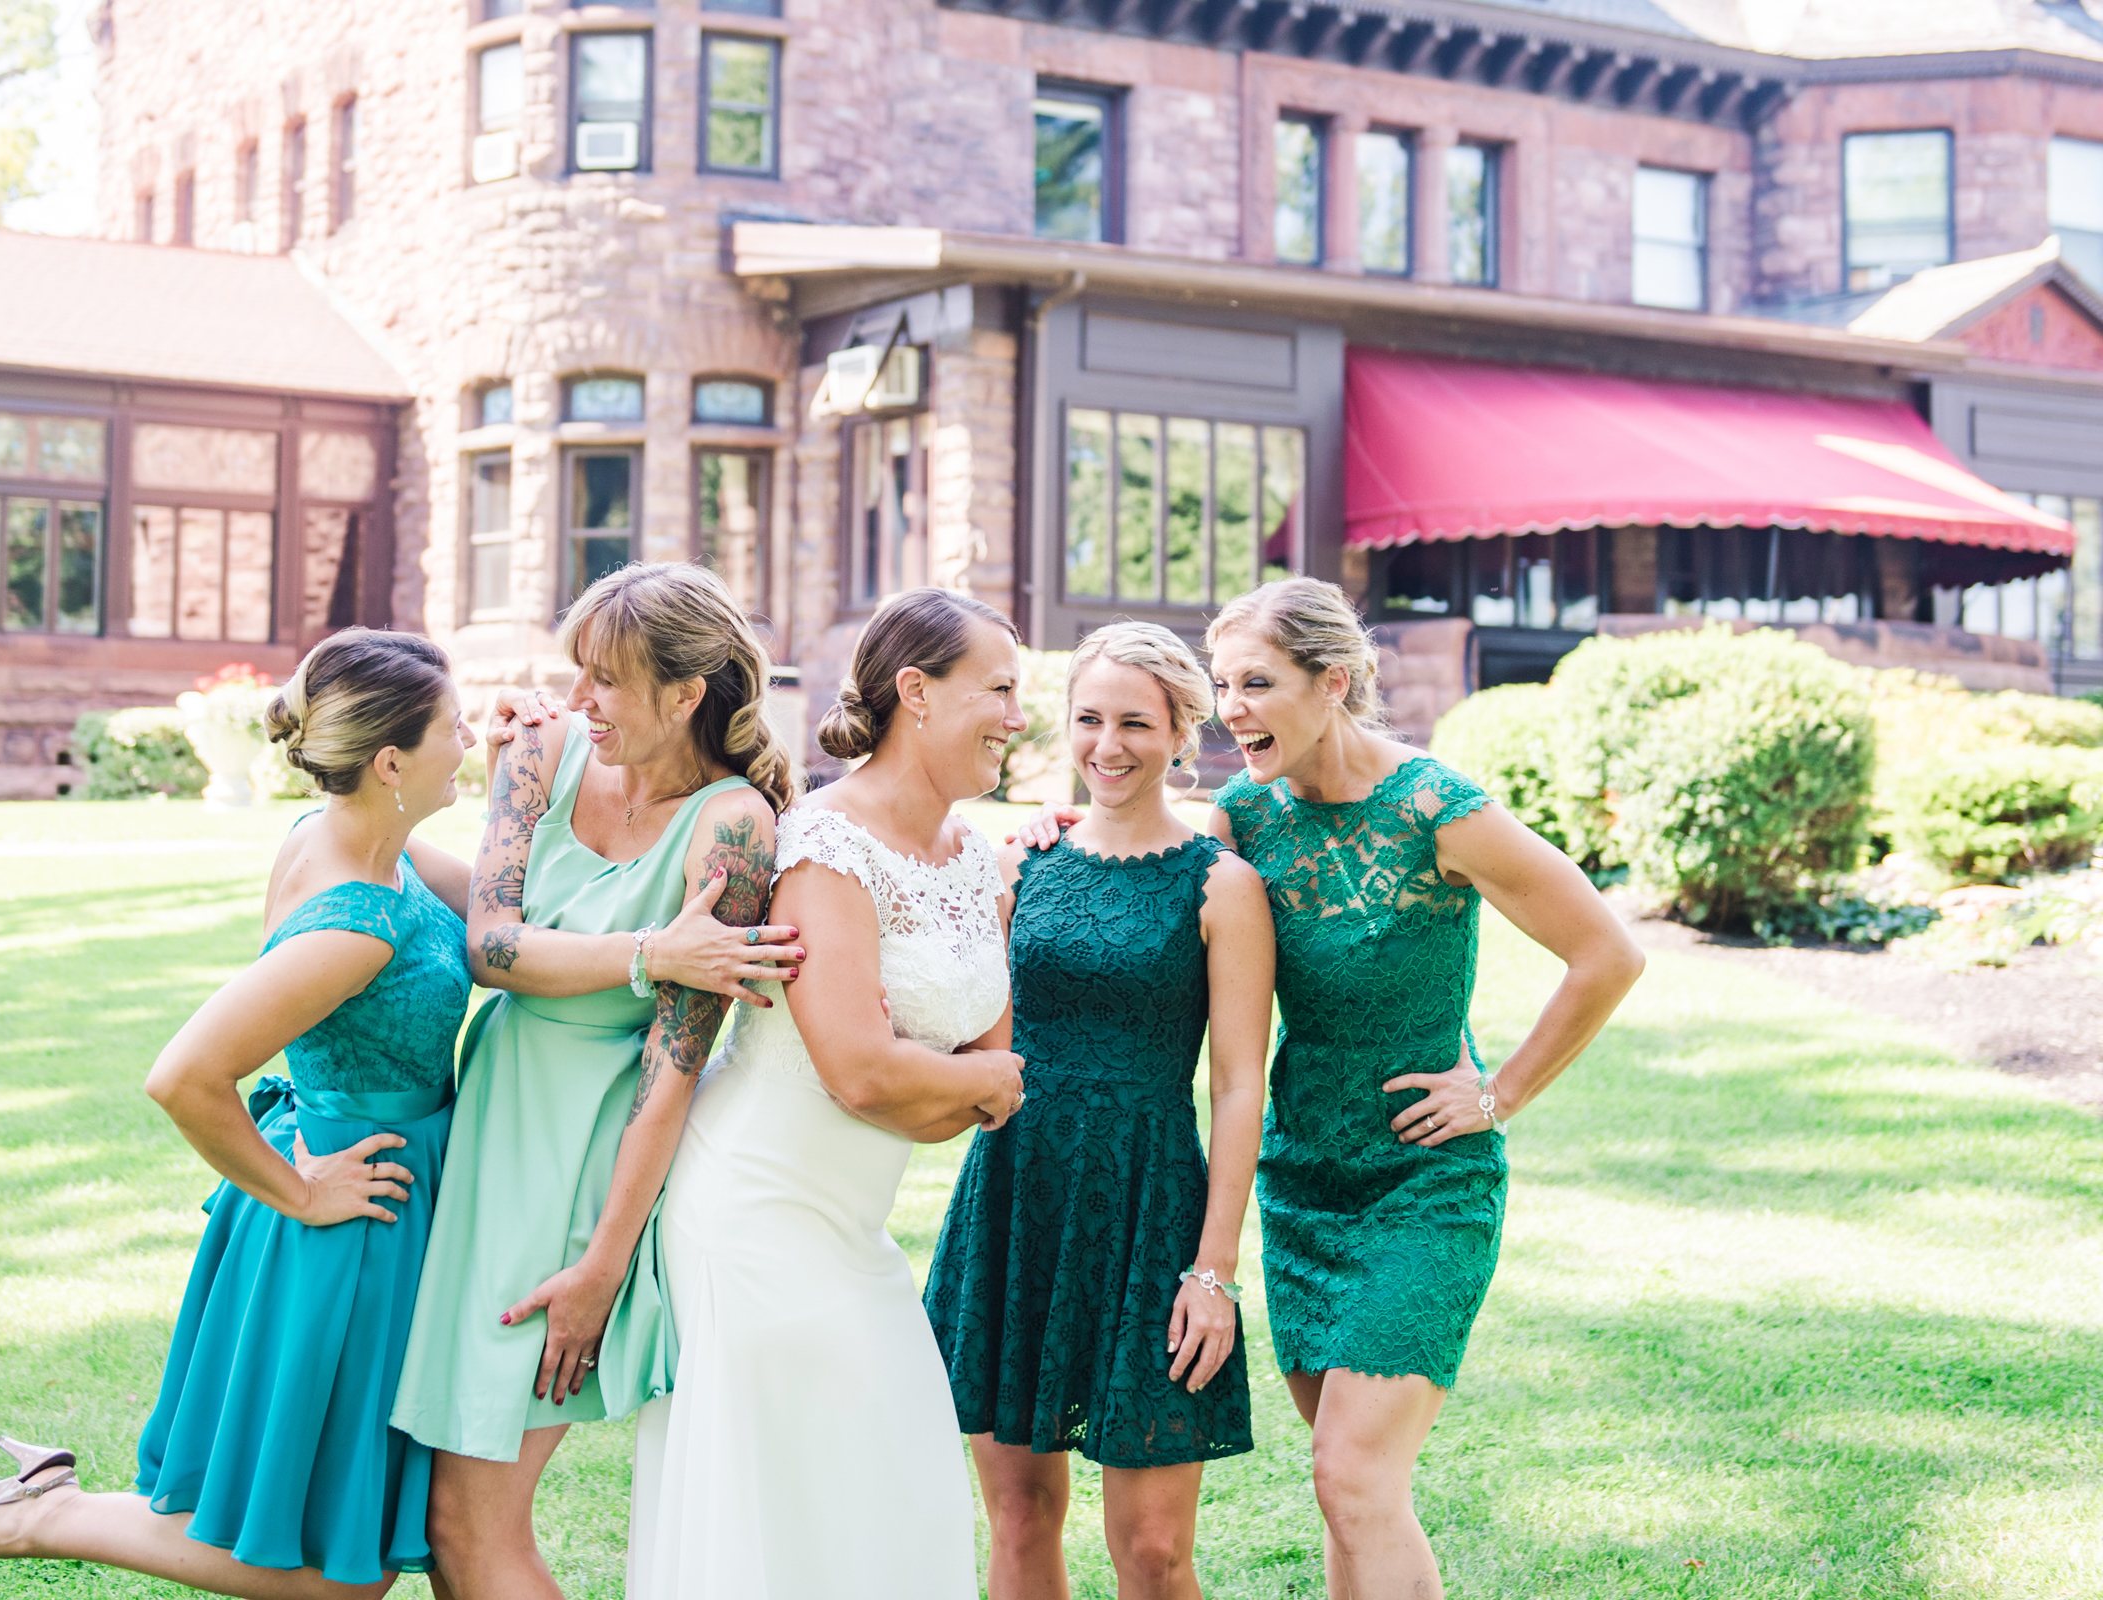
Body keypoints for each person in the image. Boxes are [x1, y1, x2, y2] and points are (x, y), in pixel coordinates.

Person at [1020, 578, 1643, 1599]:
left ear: (1334, 681)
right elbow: (1150, 868)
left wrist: (1500, 1094)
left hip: (1422, 1185)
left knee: (1354, 1476)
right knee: (1348, 1490)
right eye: (1224, 685)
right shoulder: (1246, 817)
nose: (1233, 709)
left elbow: (1605, 954)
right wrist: (1063, 831)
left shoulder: (1438, 809)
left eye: (1258, 682)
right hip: (1303, 1183)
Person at [0, 628, 480, 1598]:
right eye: (456, 724)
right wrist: (303, 1193)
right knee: (335, 1574)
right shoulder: (355, 922)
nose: (470, 737)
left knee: (343, 1532)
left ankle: (38, 1499)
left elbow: (502, 919)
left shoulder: (366, 839)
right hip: (350, 1217)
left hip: (386, 1200)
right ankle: (33, 1513)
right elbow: (181, 1077)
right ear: (391, 761)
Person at [389, 563, 796, 1600]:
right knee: (452, 1525)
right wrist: (651, 951)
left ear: (685, 693)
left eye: (606, 681)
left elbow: (675, 1074)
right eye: (577, 675)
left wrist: (603, 1266)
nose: (579, 701)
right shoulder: (541, 753)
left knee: (471, 1526)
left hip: (580, 1175)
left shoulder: (732, 825)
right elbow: (490, 945)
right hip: (487, 1136)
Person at [622, 587, 1030, 1600]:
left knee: (896, 1485)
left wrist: (954, 1085)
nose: (1021, 715)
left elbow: (950, 1085)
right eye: (1001, 688)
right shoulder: (825, 844)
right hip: (753, 1206)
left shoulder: (976, 860)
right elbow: (863, 1070)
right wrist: (970, 1082)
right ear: (917, 694)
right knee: (790, 1504)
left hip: (852, 1223)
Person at [923, 622, 1275, 1600]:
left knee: (1153, 1551)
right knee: (1021, 1518)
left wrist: (1214, 1269)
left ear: (1178, 736)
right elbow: (963, 1030)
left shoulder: (1221, 884)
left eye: (1134, 722)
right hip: (1017, 1198)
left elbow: (1239, 1083)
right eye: (1088, 719)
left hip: (1147, 1208)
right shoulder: (1017, 861)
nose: (1107, 744)